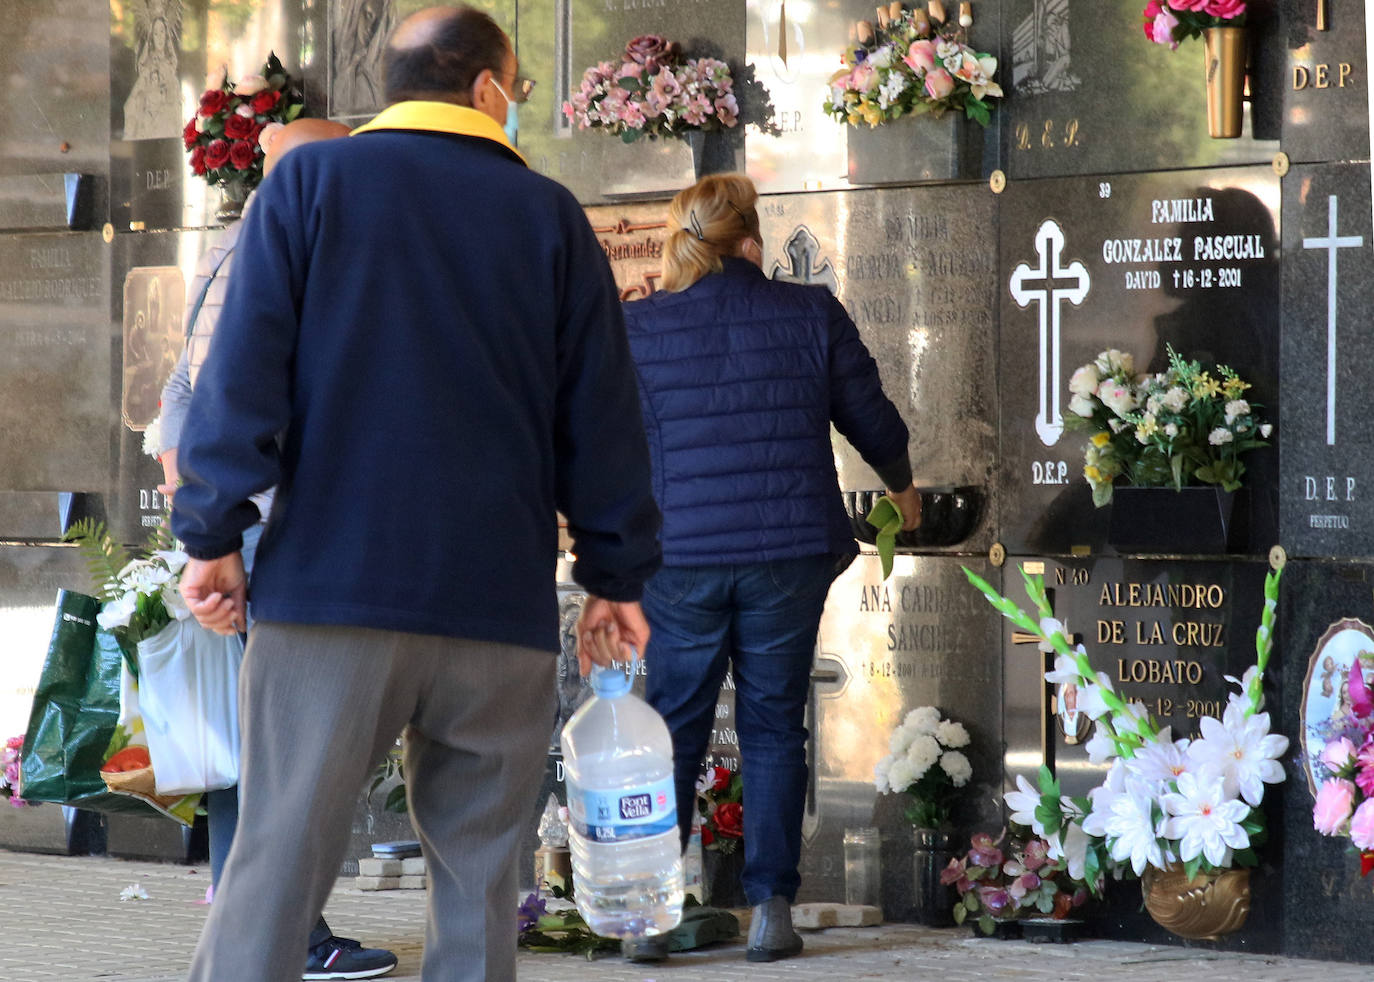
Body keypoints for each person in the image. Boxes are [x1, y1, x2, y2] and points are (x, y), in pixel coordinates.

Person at [171, 6, 661, 981]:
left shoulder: (310, 183)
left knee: (277, 869)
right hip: (498, 611)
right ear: (486, 90)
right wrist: (615, 577)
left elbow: (242, 376)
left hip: (332, 600)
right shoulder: (549, 215)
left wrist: (212, 533)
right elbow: (603, 419)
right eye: (517, 92)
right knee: (481, 893)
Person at [620, 173, 921, 963]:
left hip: (679, 556)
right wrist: (903, 489)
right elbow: (870, 415)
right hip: (786, 552)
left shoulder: (637, 329)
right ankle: (771, 910)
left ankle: (649, 916)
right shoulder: (808, 312)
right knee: (772, 726)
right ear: (751, 238)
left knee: (673, 728)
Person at [158, 117, 398, 981]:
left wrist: (198, 522)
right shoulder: (285, 245)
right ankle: (290, 939)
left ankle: (253, 930)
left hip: (235, 523)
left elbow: (180, 391)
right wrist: (220, 532)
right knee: (288, 746)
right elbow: (236, 395)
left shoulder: (229, 244)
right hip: (269, 525)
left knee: (252, 743)